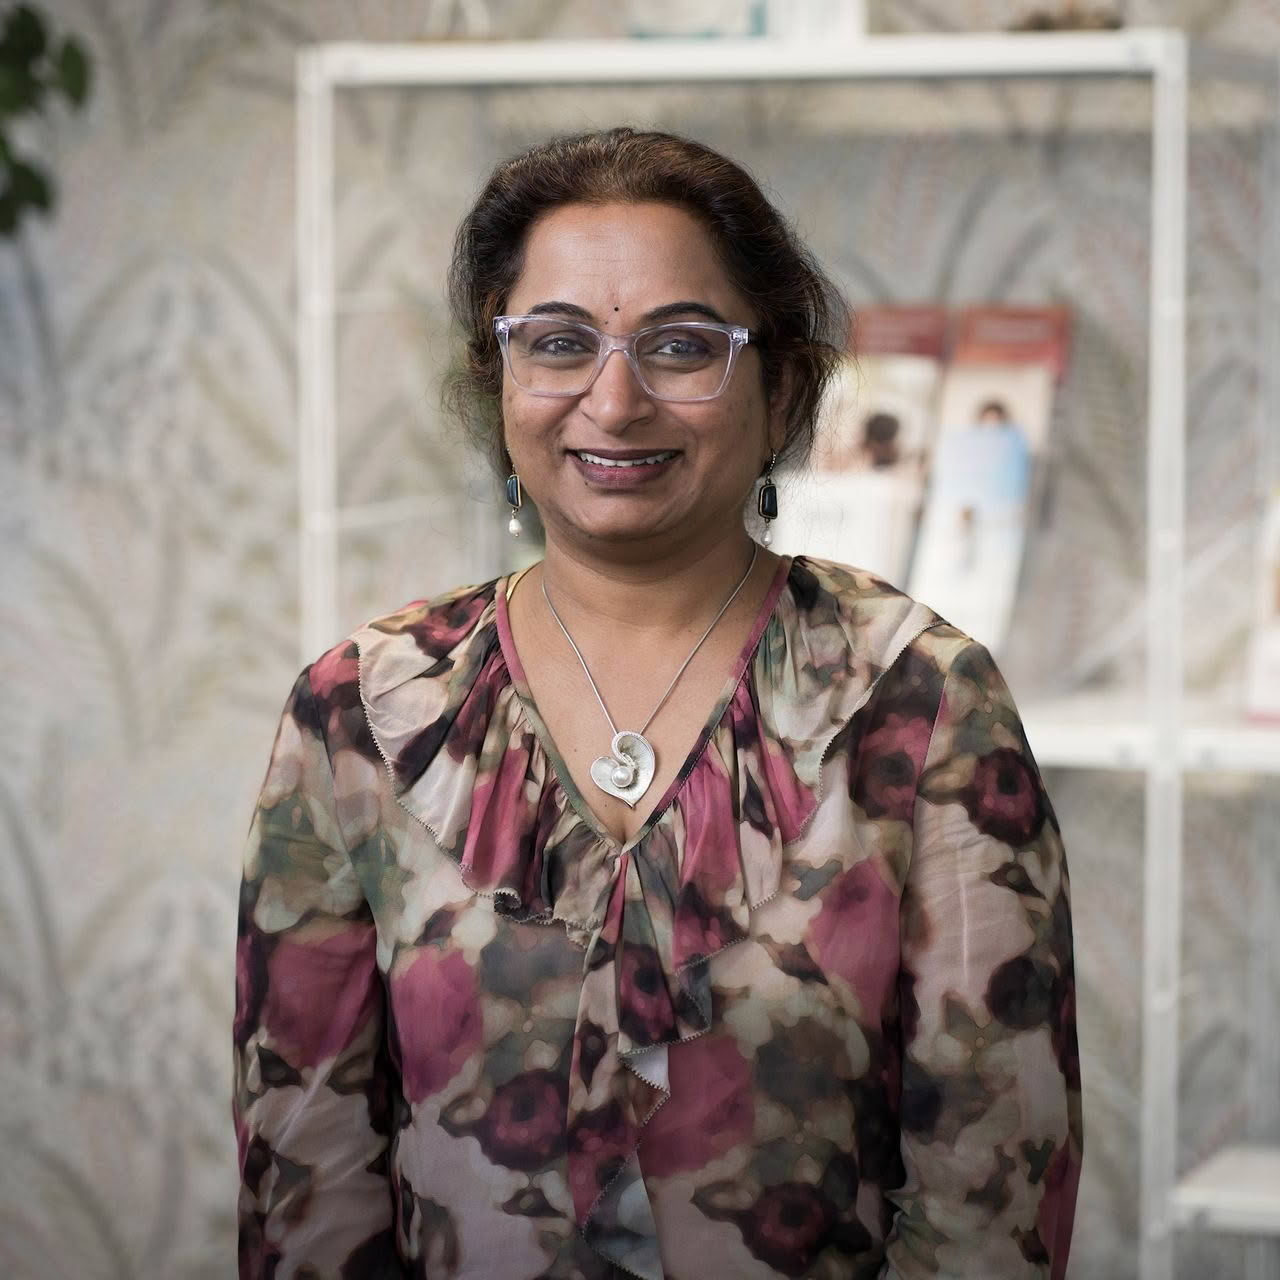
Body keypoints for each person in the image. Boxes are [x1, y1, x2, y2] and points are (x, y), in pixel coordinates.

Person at [233, 127, 1082, 1279]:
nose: (614, 398)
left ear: (779, 381)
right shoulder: (359, 714)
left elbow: (994, 1193)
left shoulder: (921, 701)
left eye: (681, 346)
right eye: (557, 343)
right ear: (499, 382)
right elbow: (305, 1182)